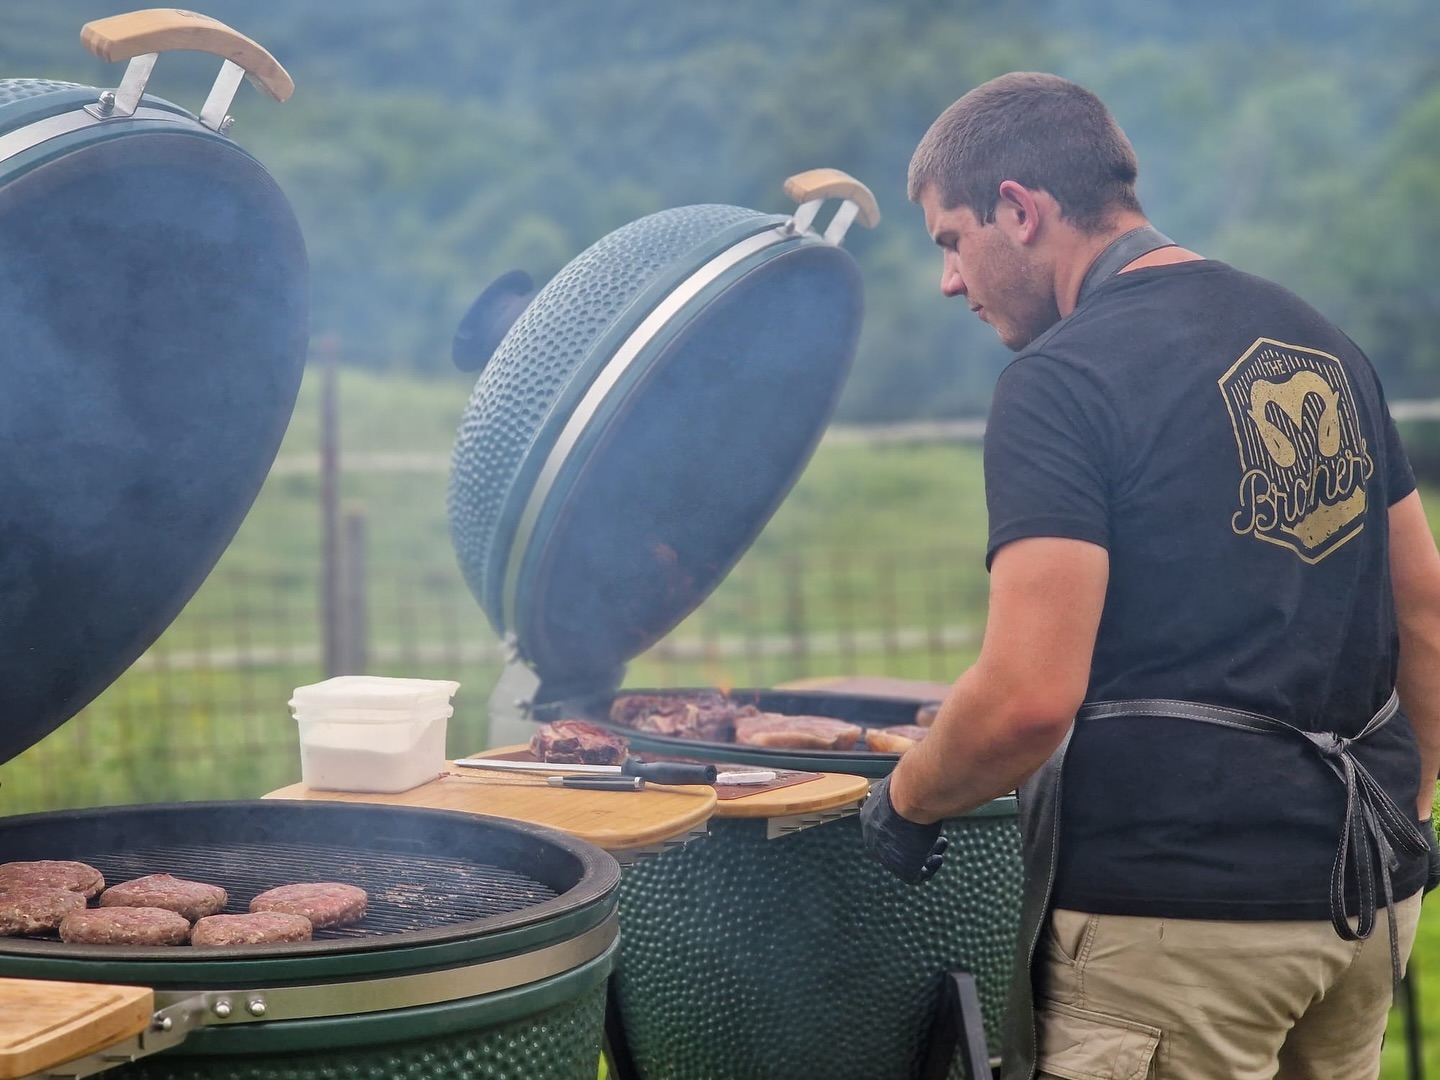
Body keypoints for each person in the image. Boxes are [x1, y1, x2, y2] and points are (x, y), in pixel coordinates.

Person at [859, 71, 1440, 1080]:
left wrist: (908, 799)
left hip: (1178, 924)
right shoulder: (1320, 341)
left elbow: (1027, 700)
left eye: (952, 241)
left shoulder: (1062, 381)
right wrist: (1410, 810)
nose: (953, 281)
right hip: (1364, 899)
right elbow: (1426, 609)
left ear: (1019, 209)